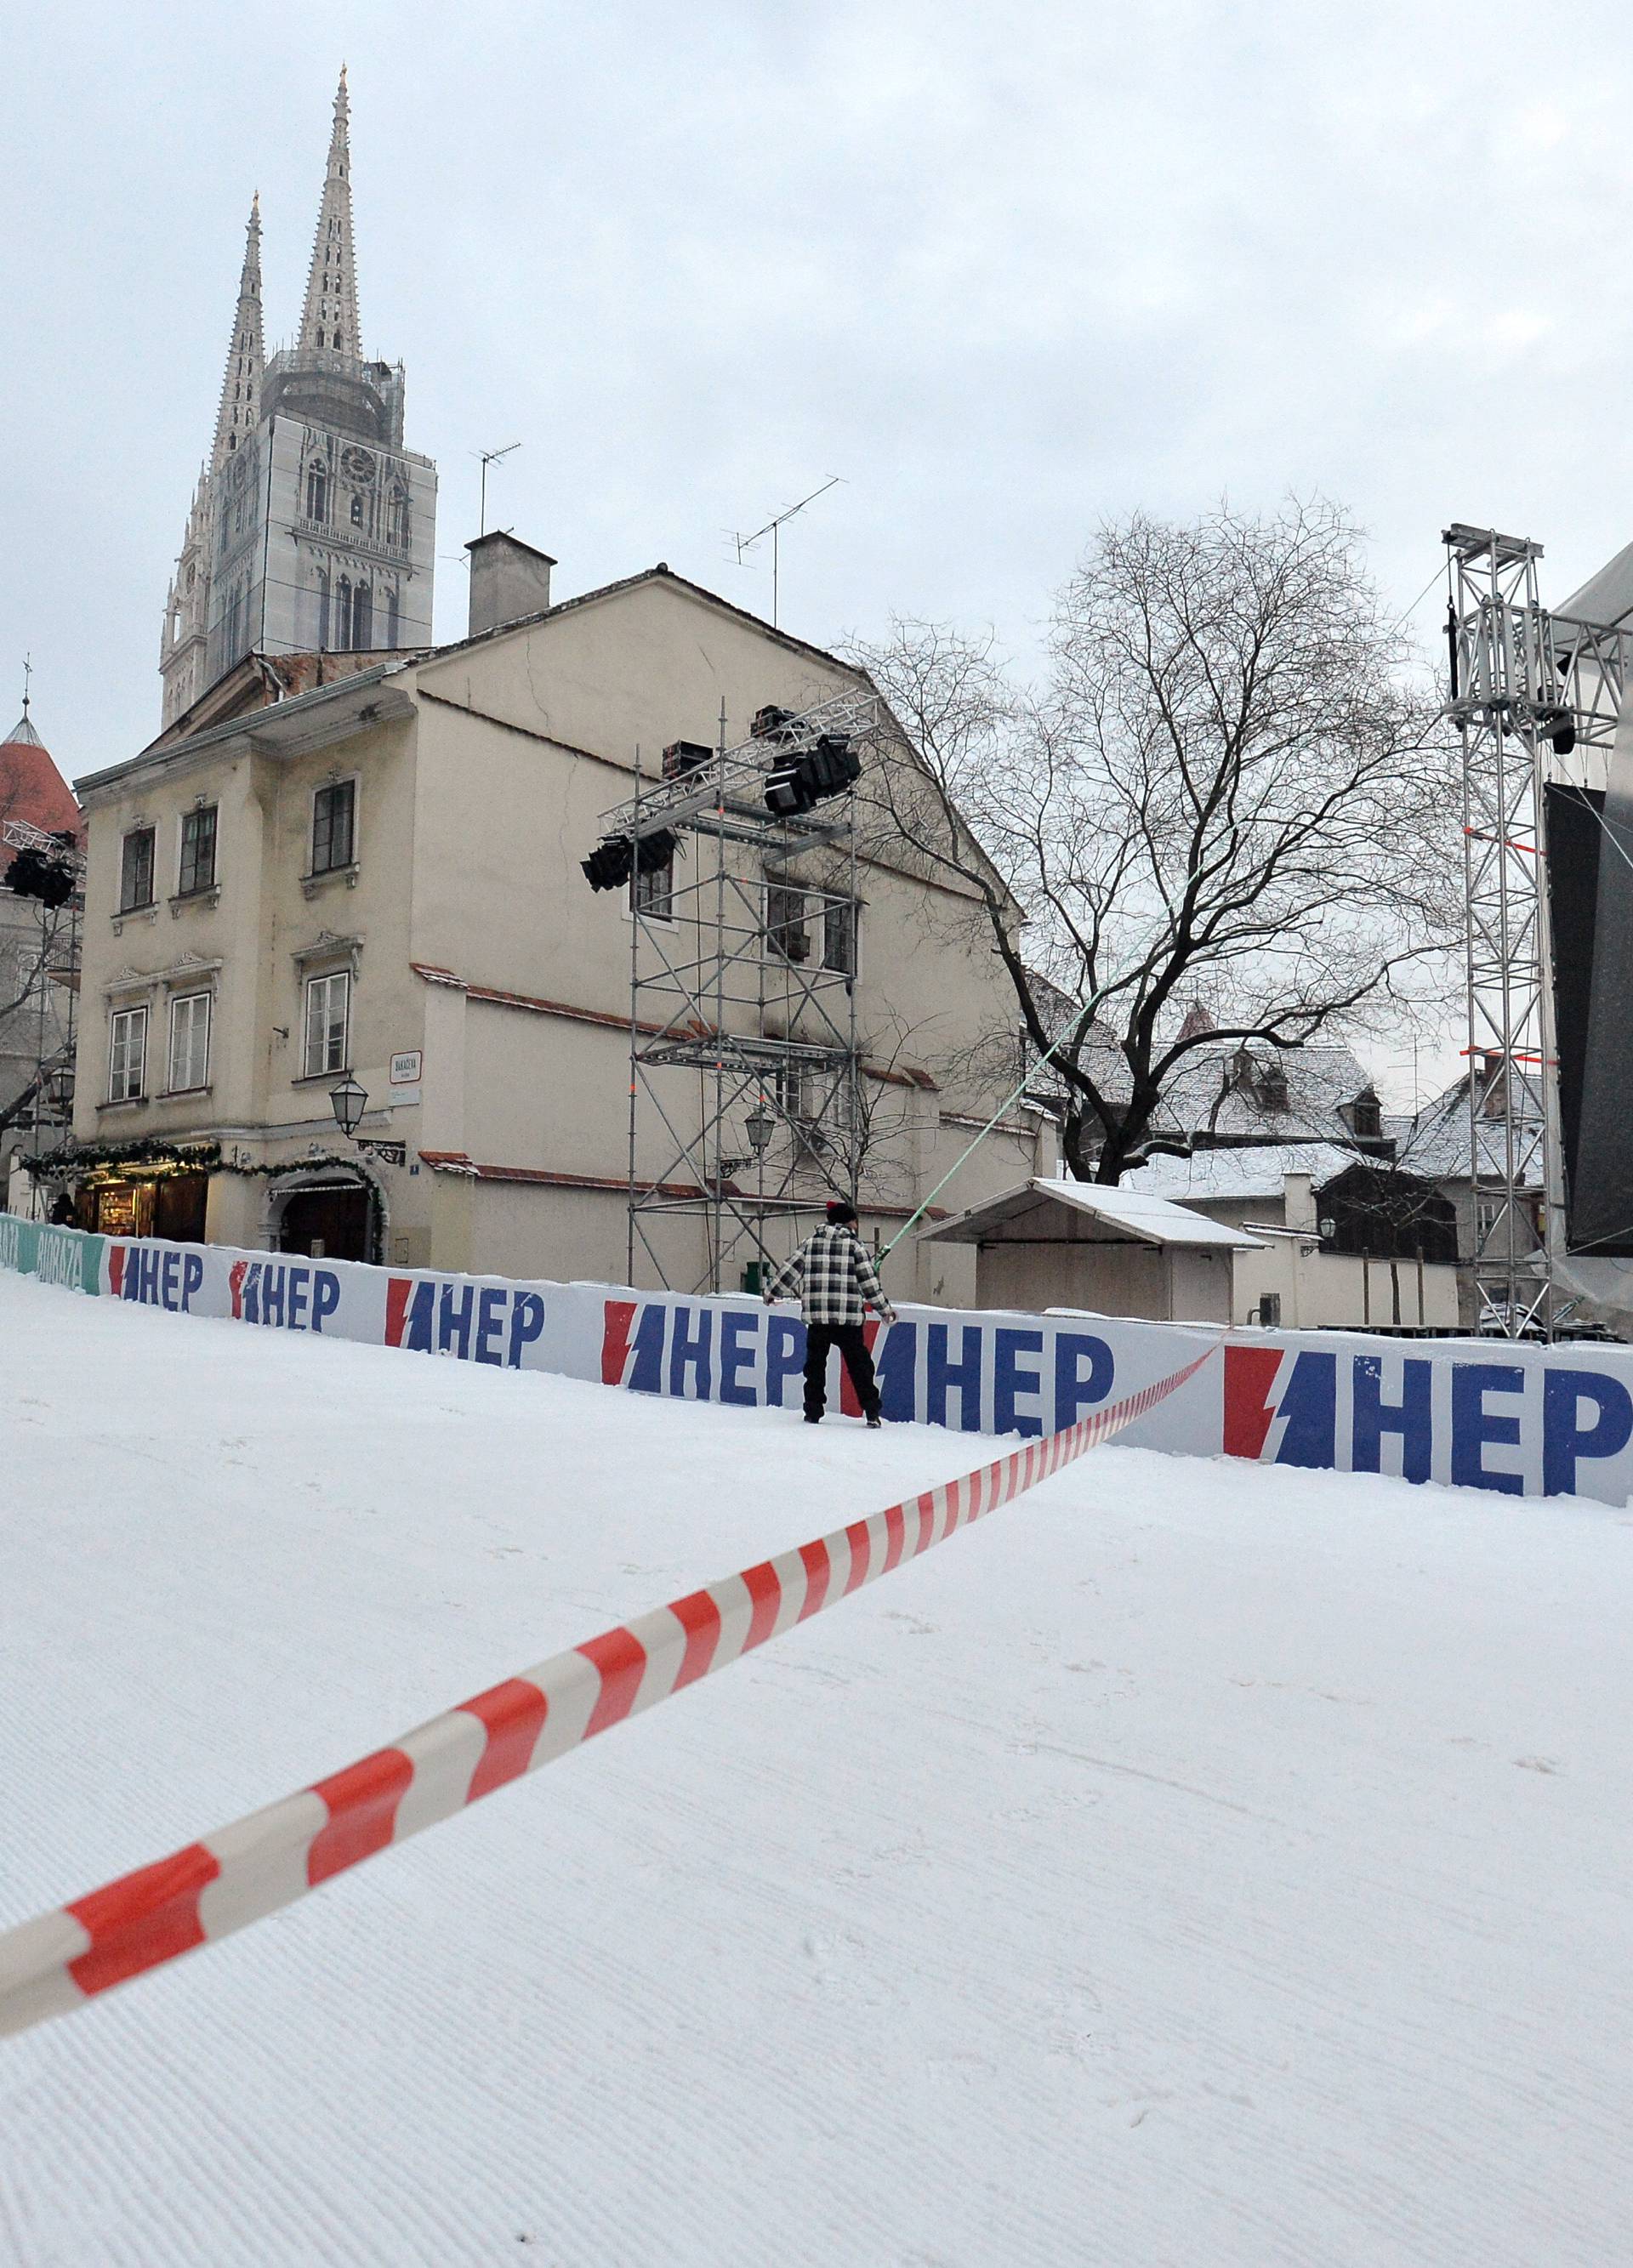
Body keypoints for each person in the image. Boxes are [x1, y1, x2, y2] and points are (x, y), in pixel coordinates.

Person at [763, 1197, 897, 1427]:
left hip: (818, 1318)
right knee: (859, 1367)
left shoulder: (810, 1243)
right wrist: (885, 1310)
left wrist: (772, 1293)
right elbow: (869, 1284)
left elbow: (790, 1271)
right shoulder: (855, 1247)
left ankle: (813, 1411)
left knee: (815, 1366)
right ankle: (872, 1411)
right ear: (850, 1222)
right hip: (848, 1319)